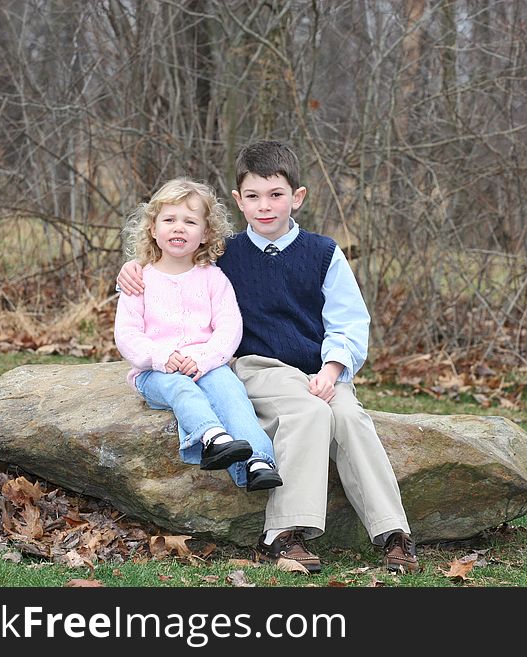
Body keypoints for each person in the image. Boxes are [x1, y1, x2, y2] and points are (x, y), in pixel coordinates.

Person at [118, 142, 418, 573]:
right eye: (253, 196)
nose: (265, 206)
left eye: (275, 194)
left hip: (320, 369)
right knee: (310, 413)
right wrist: (131, 268)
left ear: (297, 198)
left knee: (350, 418)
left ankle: (392, 531)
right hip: (259, 368)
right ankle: (285, 533)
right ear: (239, 201)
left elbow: (349, 322)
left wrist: (333, 370)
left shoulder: (324, 253)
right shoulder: (225, 255)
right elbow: (174, 261)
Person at [114, 177, 282, 493]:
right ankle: (211, 438)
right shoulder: (140, 280)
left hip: (206, 366)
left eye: (190, 221)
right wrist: (160, 358)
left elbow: (229, 328)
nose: (179, 228)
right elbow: (127, 334)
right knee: (182, 389)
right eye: (169, 220)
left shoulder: (213, 278)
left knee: (232, 394)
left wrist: (204, 360)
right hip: (154, 372)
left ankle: (258, 461)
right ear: (152, 228)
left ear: (205, 233)